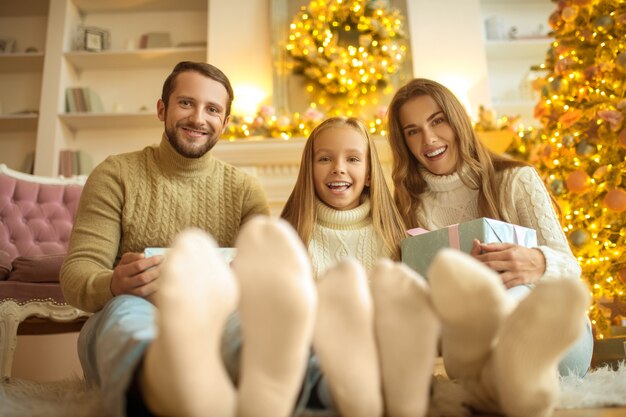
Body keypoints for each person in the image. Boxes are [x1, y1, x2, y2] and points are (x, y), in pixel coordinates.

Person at [58, 61, 304, 417]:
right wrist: (113, 282)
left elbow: (262, 277)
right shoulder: (116, 174)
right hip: (132, 306)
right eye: (186, 103)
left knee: (248, 323)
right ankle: (162, 388)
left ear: (225, 122)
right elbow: (76, 273)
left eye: (213, 109)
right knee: (125, 316)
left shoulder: (245, 189)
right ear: (162, 109)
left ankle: (287, 384)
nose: (198, 118)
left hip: (222, 313)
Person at [385, 77, 593, 415]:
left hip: (552, 334)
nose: (429, 138)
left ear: (457, 121)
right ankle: (518, 385)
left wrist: (537, 262)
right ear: (404, 142)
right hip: (474, 343)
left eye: (438, 121)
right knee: (472, 321)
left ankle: (514, 366)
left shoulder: (515, 179)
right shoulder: (409, 206)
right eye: (413, 131)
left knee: (513, 301)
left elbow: (572, 269)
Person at [281, 117, 441, 416]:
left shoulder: (394, 237)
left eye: (352, 159)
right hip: (315, 357)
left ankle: (393, 393)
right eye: (325, 158)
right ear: (309, 171)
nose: (338, 168)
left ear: (368, 174)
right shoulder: (289, 237)